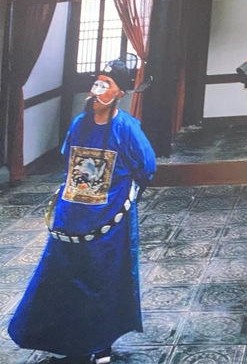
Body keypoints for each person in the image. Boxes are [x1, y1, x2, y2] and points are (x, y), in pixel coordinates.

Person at [9, 58, 156, 364]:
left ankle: (101, 343)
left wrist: (122, 198)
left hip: (108, 220)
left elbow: (146, 168)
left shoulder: (127, 128)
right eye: (97, 82)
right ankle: (63, 338)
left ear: (119, 93)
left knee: (101, 279)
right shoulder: (79, 123)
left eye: (107, 84)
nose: (98, 89)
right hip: (71, 215)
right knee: (60, 277)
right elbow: (69, 162)